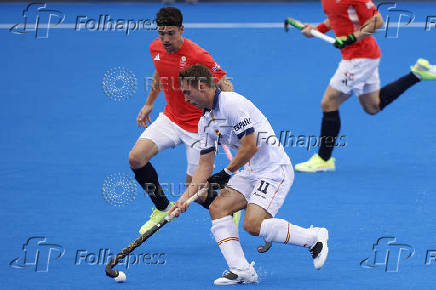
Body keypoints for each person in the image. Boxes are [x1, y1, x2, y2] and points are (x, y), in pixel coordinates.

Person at [170, 64, 329, 285]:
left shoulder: (232, 103)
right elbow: (204, 166)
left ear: (203, 86)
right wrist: (183, 200)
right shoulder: (205, 122)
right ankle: (241, 270)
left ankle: (313, 239)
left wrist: (226, 173)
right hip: (251, 170)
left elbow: (250, 146)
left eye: (187, 92)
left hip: (275, 169)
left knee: (252, 226)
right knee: (218, 208)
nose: (185, 98)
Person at [293, 0, 436, 172]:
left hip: (359, 58)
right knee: (372, 106)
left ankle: (324, 159)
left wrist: (351, 38)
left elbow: (377, 21)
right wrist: (318, 29)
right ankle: (418, 74)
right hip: (364, 56)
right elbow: (337, 17)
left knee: (329, 102)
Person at [129, 7, 236, 235]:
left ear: (182, 30)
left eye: (171, 33)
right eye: (161, 33)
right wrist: (149, 102)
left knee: (195, 192)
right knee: (136, 158)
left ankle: (230, 206)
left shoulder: (198, 55)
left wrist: (226, 119)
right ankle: (161, 207)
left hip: (199, 127)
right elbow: (160, 72)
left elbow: (225, 84)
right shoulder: (155, 48)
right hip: (171, 118)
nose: (165, 39)